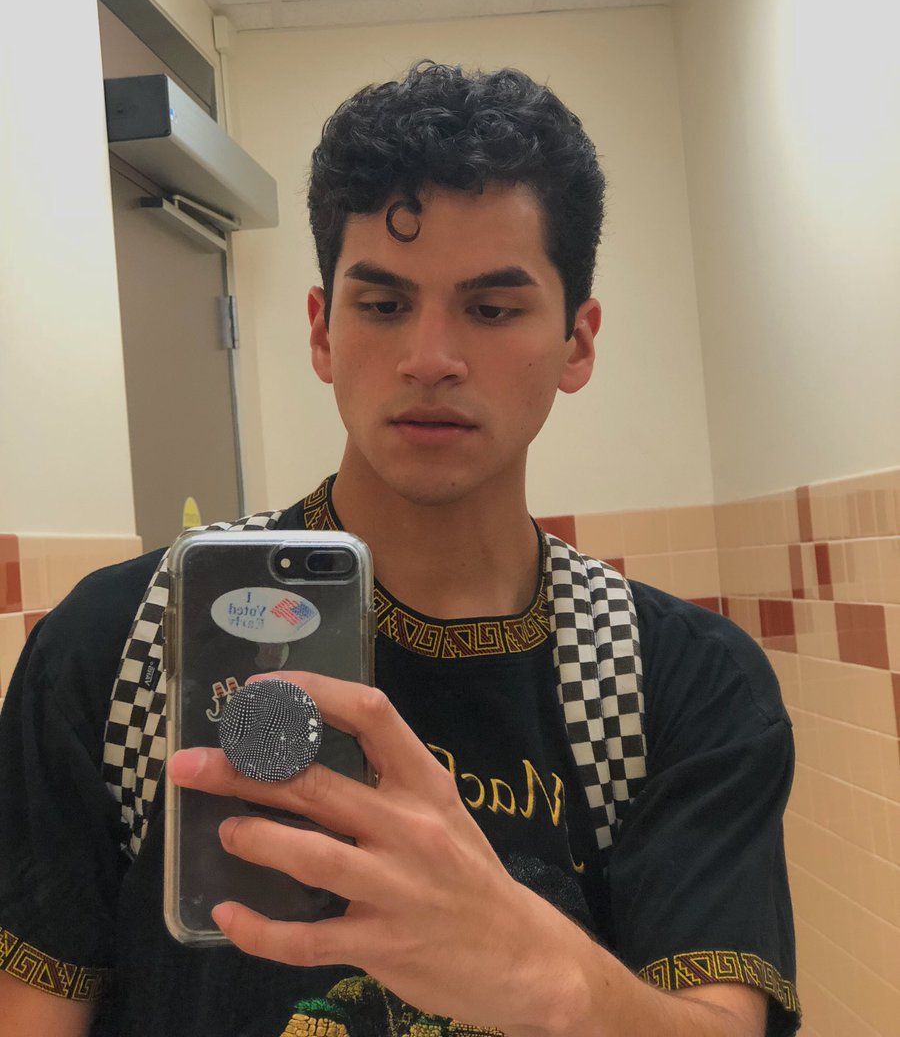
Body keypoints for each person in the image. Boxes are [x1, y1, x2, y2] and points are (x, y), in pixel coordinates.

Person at [0, 62, 799, 1037]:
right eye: (382, 305)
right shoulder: (119, 646)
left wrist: (545, 979)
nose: (430, 359)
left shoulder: (683, 686)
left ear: (578, 342)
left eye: (492, 309)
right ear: (322, 332)